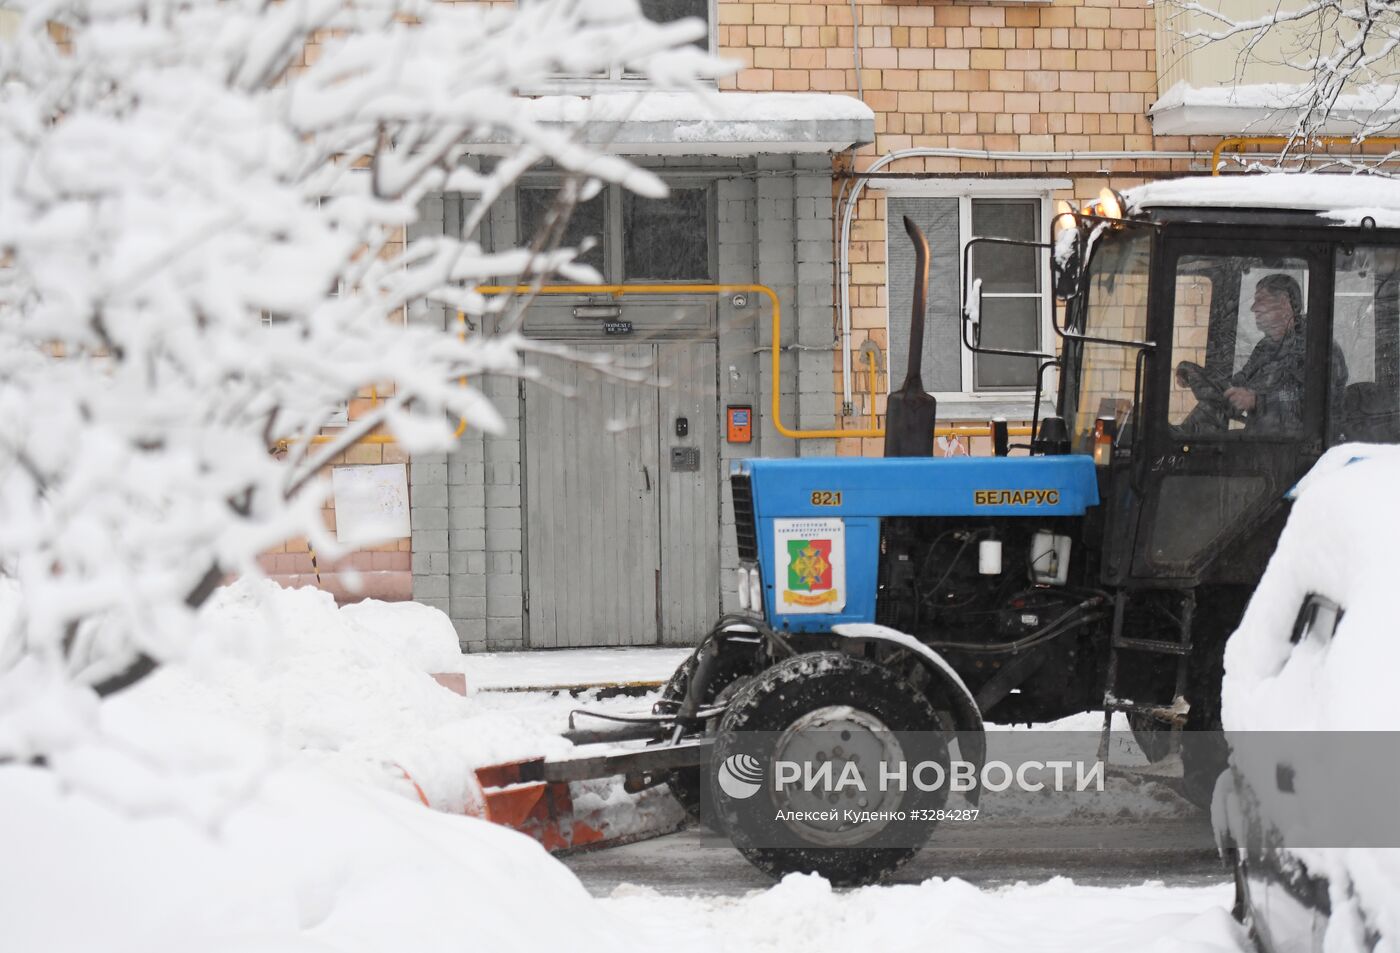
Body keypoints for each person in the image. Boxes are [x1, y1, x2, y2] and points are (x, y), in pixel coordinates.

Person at [1177, 273, 1342, 434]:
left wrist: (1257, 401)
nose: (1253, 308)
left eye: (1261, 300)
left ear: (1284, 303)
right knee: (1212, 413)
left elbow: (1316, 403)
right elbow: (1239, 384)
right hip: (1261, 438)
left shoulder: (1317, 347)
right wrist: (1195, 375)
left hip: (1292, 447)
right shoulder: (1266, 347)